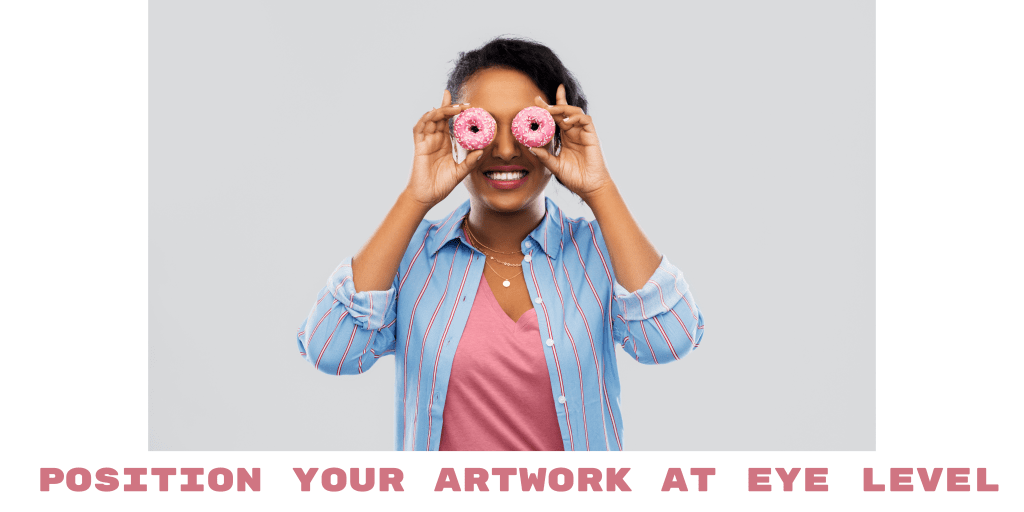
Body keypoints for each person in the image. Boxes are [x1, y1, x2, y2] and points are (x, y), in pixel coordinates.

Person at [296, 36, 704, 452]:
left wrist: (599, 188)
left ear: (558, 135)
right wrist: (416, 198)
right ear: (455, 135)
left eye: (529, 126)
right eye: (481, 127)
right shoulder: (410, 256)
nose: (506, 150)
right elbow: (331, 350)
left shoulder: (599, 251)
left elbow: (669, 340)